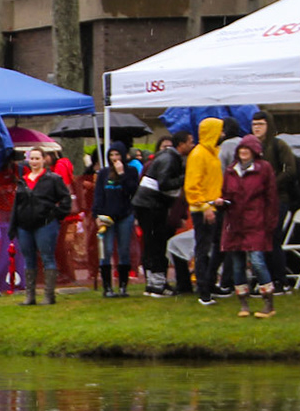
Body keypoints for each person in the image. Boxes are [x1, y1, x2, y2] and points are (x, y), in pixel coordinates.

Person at [220, 134, 280, 318]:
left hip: (256, 221)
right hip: (234, 223)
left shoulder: (264, 169)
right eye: (241, 149)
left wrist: (270, 221)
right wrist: (222, 202)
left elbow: (271, 197)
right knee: (237, 266)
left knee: (257, 262)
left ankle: (268, 303)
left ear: (255, 151)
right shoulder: (231, 170)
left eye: (247, 149)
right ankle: (244, 304)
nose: (244, 152)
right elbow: (226, 194)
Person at [132, 132, 191, 296]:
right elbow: (164, 183)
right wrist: (185, 177)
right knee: (156, 244)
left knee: (151, 244)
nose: (192, 145)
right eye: (190, 142)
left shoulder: (165, 157)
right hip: (152, 205)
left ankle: (153, 284)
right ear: (181, 144)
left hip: (147, 204)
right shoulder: (170, 159)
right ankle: (157, 285)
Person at [249, 112, 300, 290]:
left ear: (269, 125)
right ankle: (266, 278)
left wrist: (270, 184)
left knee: (273, 238)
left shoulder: (278, 145)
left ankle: (280, 279)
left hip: (278, 198)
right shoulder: (251, 147)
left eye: (261, 124)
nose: (257, 127)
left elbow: (290, 170)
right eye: (254, 124)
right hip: (257, 200)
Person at [12, 146, 70, 305]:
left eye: (37, 158)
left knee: (47, 257)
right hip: (24, 225)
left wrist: (55, 215)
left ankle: (49, 295)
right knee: (28, 259)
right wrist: (14, 226)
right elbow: (17, 205)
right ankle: (30, 296)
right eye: (32, 158)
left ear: (44, 160)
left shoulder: (53, 179)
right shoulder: (22, 181)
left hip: (45, 224)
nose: (34, 162)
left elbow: (66, 200)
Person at [185, 117, 225, 305]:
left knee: (215, 246)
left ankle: (209, 283)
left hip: (213, 205)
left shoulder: (212, 153)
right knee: (203, 248)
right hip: (203, 208)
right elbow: (192, 185)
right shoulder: (199, 154)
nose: (222, 134)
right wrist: (204, 206)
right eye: (219, 131)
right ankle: (203, 289)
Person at [93, 143, 140, 297]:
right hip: (107, 216)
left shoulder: (131, 171)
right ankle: (107, 287)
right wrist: (97, 215)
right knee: (106, 251)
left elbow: (133, 191)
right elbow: (99, 195)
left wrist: (122, 175)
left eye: (117, 155)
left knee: (124, 250)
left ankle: (123, 287)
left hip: (125, 215)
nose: (114, 158)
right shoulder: (103, 174)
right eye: (112, 155)